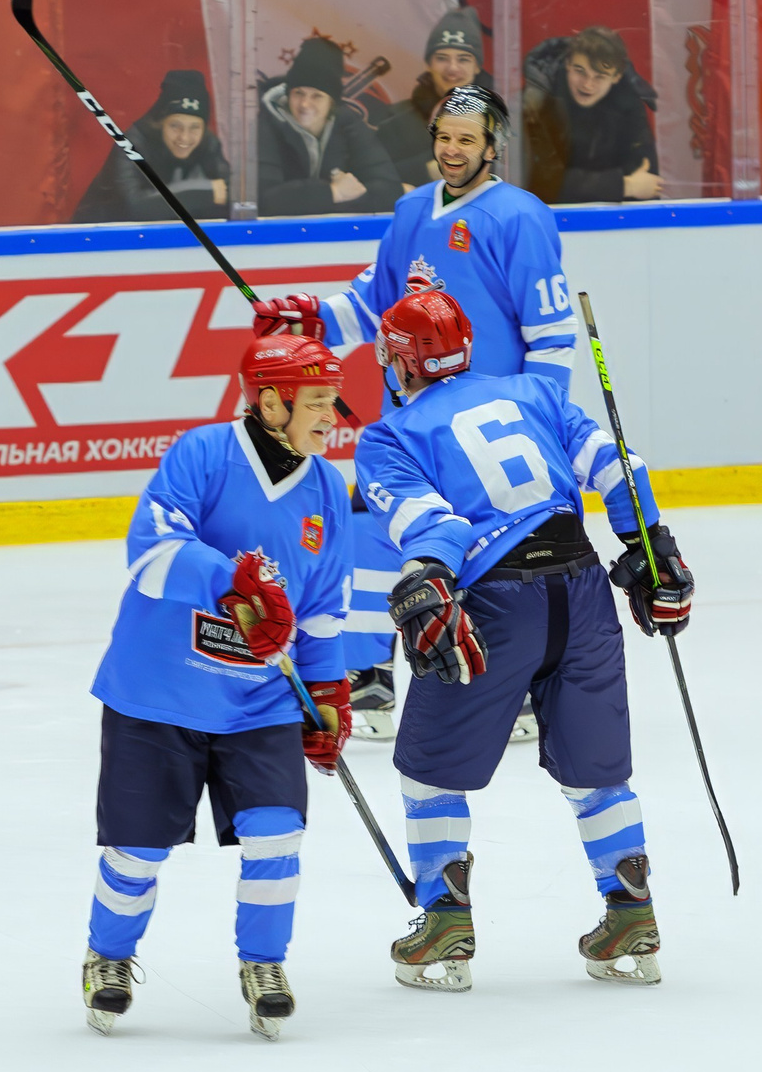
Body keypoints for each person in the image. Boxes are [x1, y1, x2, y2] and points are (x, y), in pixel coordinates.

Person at [353, 286, 692, 992]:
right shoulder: (533, 390)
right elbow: (618, 465)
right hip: (583, 587)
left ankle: (445, 920)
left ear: (401, 361)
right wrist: (651, 547)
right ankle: (631, 911)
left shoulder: (389, 436)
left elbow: (433, 525)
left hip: (494, 603)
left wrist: (431, 576)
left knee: (429, 770)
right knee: (597, 771)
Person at [248, 84, 580, 743]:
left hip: (490, 423)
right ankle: (369, 672)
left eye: (466, 139)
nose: (451, 150)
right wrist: (308, 317)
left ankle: (509, 680)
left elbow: (551, 334)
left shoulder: (520, 217)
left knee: (491, 546)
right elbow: (374, 301)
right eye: (443, 137)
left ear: (493, 147)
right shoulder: (409, 211)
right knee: (376, 528)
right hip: (410, 415)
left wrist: (542, 422)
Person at [79, 333, 354, 1042]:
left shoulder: (326, 486)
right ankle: (108, 955)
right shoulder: (202, 454)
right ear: (270, 401)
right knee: (135, 852)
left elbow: (322, 608)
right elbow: (151, 553)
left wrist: (328, 695)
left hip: (259, 699)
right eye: (318, 403)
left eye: (332, 402)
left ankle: (264, 962)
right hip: (156, 693)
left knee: (277, 834)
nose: (331, 417)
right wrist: (231, 581)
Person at [255, 36, 403, 217]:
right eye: (298, 93)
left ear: (332, 101)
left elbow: (389, 190)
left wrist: (317, 200)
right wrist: (333, 192)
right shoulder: (265, 124)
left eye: (316, 96)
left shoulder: (348, 123)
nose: (304, 105)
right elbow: (264, 200)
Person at [71, 69, 229, 222]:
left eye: (195, 127)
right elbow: (134, 207)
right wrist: (206, 193)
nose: (184, 137)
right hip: (96, 240)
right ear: (160, 123)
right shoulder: (131, 144)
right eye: (175, 126)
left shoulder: (209, 145)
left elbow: (232, 198)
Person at [524, 27, 661, 204]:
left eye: (600, 76)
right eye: (580, 71)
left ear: (616, 77)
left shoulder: (629, 105)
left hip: (613, 220)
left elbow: (647, 179)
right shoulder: (541, 100)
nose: (587, 85)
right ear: (567, 64)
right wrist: (625, 185)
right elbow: (540, 181)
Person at [371, 7, 494, 184]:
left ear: (477, 67)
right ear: (428, 64)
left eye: (463, 59)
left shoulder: (500, 119)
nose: (452, 68)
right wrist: (425, 170)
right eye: (442, 58)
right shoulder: (395, 120)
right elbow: (375, 178)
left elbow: (518, 171)